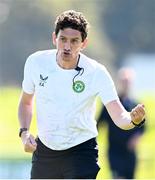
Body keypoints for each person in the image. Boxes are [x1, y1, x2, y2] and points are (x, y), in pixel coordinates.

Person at [18, 10, 145, 179]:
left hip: (81, 151)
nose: (67, 46)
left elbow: (120, 116)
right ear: (54, 38)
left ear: (84, 43)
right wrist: (24, 133)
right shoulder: (36, 62)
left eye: (74, 41)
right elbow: (26, 102)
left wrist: (134, 120)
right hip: (46, 151)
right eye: (63, 39)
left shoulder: (97, 72)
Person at [97, 67, 145, 179]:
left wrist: (136, 139)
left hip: (129, 152)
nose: (126, 84)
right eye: (123, 81)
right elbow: (99, 124)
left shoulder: (136, 104)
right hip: (114, 150)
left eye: (128, 81)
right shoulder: (111, 104)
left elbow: (143, 127)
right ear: (119, 82)